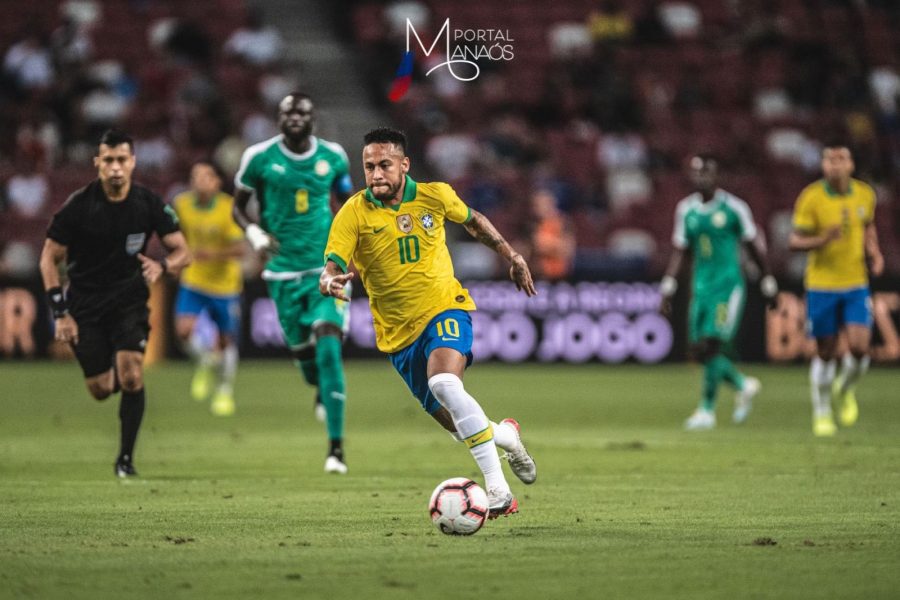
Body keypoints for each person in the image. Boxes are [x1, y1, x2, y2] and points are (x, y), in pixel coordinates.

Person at [320, 127, 538, 518]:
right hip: (397, 336)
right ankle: (506, 434)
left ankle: (498, 490)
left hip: (444, 308)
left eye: (385, 165)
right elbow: (333, 262)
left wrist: (512, 255)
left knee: (444, 383)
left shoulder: (434, 195)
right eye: (369, 167)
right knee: (459, 427)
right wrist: (327, 278)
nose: (376, 175)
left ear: (404, 165)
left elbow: (474, 221)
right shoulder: (353, 212)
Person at [38, 129, 191, 477]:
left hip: (129, 302)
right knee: (102, 389)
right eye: (108, 160)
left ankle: (125, 460)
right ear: (97, 163)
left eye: (122, 159)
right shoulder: (78, 206)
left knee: (132, 376)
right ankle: (114, 371)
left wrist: (163, 265)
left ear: (133, 162)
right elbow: (48, 259)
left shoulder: (148, 204)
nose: (116, 167)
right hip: (85, 308)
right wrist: (61, 313)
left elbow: (184, 251)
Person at [233, 92, 355, 474]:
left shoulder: (334, 156)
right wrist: (253, 234)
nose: (296, 117)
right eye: (289, 112)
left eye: (302, 111)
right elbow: (237, 205)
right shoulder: (259, 158)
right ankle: (318, 386)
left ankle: (336, 449)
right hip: (282, 272)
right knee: (306, 360)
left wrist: (352, 248)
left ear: (312, 117)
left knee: (329, 343)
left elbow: (349, 203)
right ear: (279, 119)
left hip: (326, 269)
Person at [660, 154, 777, 431]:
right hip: (700, 288)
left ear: (717, 175)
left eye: (707, 172)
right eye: (698, 172)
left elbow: (753, 246)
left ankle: (706, 410)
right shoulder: (685, 210)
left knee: (712, 344)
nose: (702, 177)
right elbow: (681, 251)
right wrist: (668, 286)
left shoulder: (735, 208)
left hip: (728, 287)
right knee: (697, 351)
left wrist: (767, 280)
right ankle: (741, 384)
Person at [788, 142, 884, 437]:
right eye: (830, 159)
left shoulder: (865, 194)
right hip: (821, 285)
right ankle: (822, 412)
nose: (835, 164)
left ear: (851, 164)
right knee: (826, 352)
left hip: (855, 283)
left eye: (841, 158)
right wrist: (821, 239)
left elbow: (868, 226)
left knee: (859, 347)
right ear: (823, 164)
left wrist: (875, 252)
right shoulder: (811, 198)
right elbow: (794, 241)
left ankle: (846, 387)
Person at [172, 161, 245, 416]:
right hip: (194, 280)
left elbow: (240, 249)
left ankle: (224, 391)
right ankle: (204, 359)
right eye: (195, 176)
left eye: (205, 176)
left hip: (225, 286)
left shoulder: (228, 208)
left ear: (216, 181)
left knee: (225, 342)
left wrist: (211, 254)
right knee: (183, 331)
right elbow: (173, 234)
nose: (198, 181)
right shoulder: (182, 204)